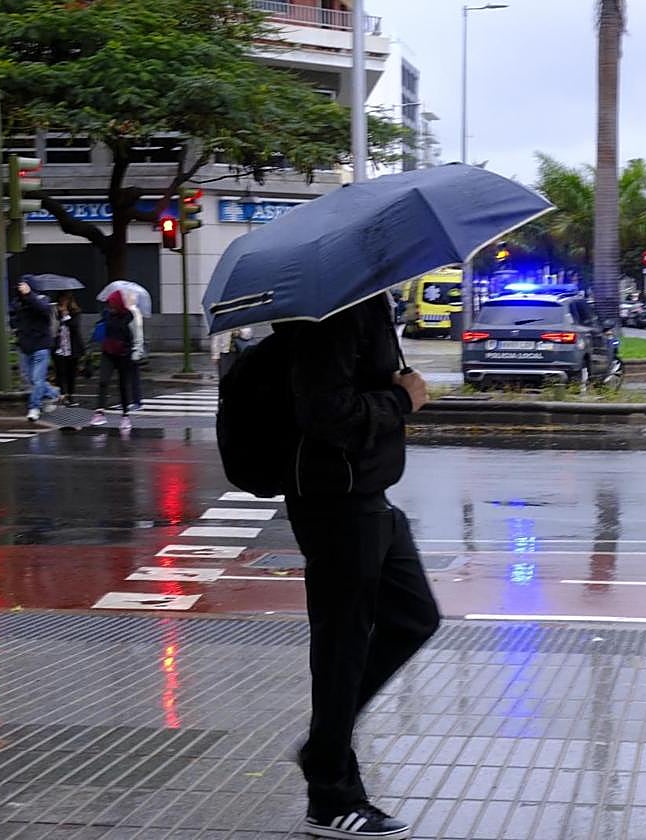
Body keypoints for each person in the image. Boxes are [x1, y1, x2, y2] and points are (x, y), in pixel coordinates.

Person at [278, 292, 439, 840]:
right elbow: (326, 413)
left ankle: (324, 742)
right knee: (342, 646)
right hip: (336, 501)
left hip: (367, 493)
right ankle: (331, 797)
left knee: (414, 616)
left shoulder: (366, 303)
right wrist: (401, 401)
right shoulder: (334, 311)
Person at [9, 279, 61, 422]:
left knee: (37, 379)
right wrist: (16, 330)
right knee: (31, 379)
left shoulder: (42, 299)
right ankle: (52, 393)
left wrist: (29, 295)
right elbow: (12, 315)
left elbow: (44, 310)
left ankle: (34, 407)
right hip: (25, 345)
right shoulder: (17, 303)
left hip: (41, 345)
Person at [90, 290, 134, 432]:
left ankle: (125, 416)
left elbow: (132, 336)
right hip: (108, 352)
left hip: (123, 354)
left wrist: (130, 350)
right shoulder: (107, 314)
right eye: (110, 304)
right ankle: (99, 412)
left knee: (123, 385)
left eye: (113, 304)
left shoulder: (129, 317)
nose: (111, 307)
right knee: (103, 381)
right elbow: (101, 329)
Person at [52, 291, 85, 407]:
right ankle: (61, 395)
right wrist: (58, 314)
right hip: (59, 346)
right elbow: (53, 326)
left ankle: (70, 395)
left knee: (71, 372)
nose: (63, 302)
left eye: (66, 299)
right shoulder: (55, 312)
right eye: (61, 299)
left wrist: (65, 314)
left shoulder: (76, 312)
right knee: (60, 372)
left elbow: (74, 326)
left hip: (72, 347)